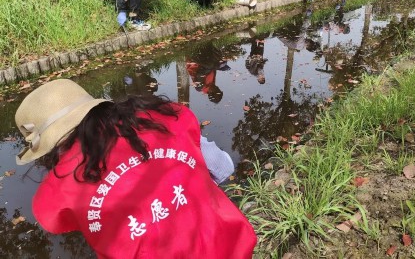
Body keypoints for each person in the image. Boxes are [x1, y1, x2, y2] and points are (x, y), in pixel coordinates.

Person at [14, 79, 256, 258]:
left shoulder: (68, 181)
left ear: (49, 149)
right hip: (232, 247)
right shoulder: (157, 119)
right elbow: (223, 167)